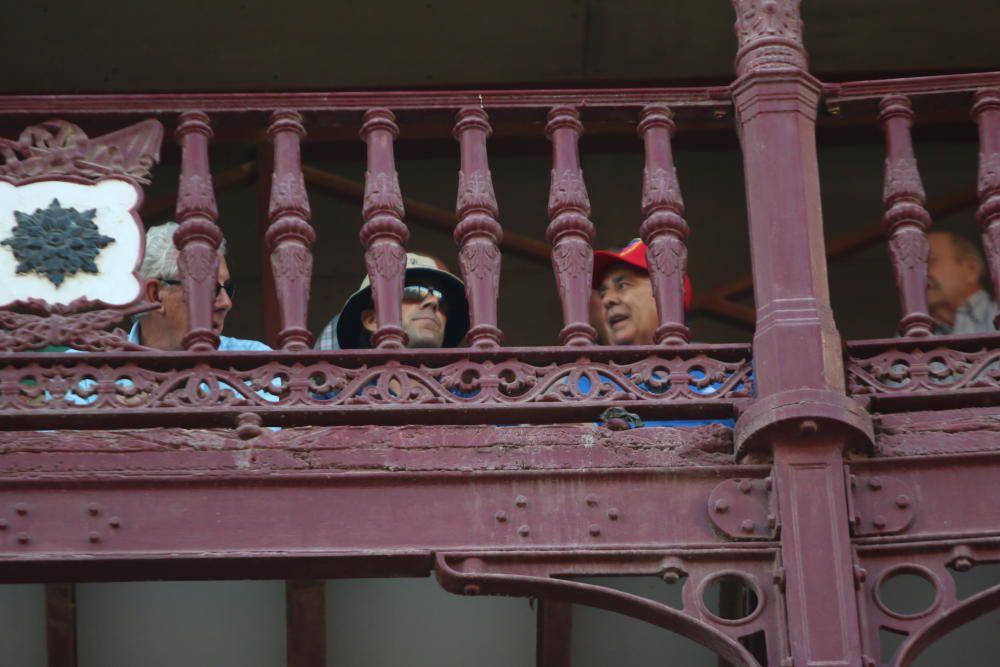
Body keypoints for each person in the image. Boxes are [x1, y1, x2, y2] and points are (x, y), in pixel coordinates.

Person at [134, 222, 270, 351]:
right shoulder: (113, 368)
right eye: (208, 289)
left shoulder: (258, 363)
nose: (226, 303)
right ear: (155, 295)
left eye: (227, 288)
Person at [315, 252, 470, 350]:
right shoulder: (337, 398)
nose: (433, 302)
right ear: (372, 320)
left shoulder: (469, 398)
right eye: (414, 291)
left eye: (442, 299)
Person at [593, 237, 691, 345]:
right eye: (602, 294)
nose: (606, 300)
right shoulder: (584, 362)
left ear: (668, 296)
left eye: (622, 286)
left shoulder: (706, 360)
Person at [926, 231, 997, 335]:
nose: (918, 273)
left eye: (929, 262)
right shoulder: (908, 334)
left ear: (971, 268)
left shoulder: (995, 313)